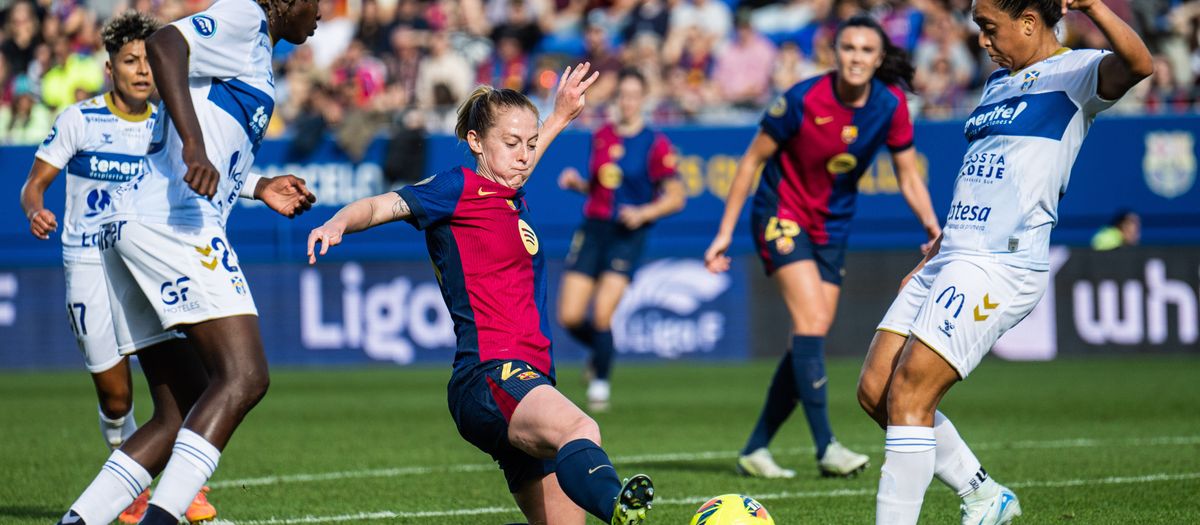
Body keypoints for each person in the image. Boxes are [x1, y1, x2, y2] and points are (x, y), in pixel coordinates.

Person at [307, 65, 656, 525]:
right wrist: (338, 223)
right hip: (491, 375)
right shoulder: (457, 189)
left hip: (529, 380)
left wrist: (560, 117)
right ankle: (619, 506)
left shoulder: (509, 195)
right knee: (581, 427)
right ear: (475, 141)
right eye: (511, 144)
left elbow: (523, 162)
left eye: (530, 145)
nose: (524, 155)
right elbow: (380, 204)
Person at [857, 0, 1151, 523]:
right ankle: (985, 496)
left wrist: (1090, 7)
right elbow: (983, 171)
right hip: (953, 252)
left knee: (908, 395)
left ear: (1030, 22)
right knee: (876, 390)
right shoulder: (997, 83)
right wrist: (939, 249)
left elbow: (1139, 64)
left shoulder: (1076, 73)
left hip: (999, 263)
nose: (984, 42)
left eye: (990, 29)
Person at [53, 0, 320, 523]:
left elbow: (200, 137)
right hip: (174, 222)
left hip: (136, 221)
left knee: (181, 407)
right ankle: (162, 517)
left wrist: (258, 185)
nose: (324, 14)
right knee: (245, 376)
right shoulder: (246, 16)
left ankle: (79, 520)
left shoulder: (257, 50)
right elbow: (164, 44)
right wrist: (195, 145)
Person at [703, 14, 941, 479]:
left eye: (866, 50)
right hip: (780, 213)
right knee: (810, 322)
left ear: (878, 58)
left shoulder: (890, 105)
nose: (856, 57)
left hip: (831, 227)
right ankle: (826, 446)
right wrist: (724, 232)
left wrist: (933, 228)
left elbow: (909, 174)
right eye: (848, 48)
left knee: (809, 337)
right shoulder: (803, 98)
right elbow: (751, 162)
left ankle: (756, 448)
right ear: (835, 53)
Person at [19, 12, 216, 524]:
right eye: (130, 61)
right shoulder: (79, 120)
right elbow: (33, 185)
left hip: (147, 265)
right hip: (88, 262)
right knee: (115, 394)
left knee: (177, 383)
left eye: (150, 60)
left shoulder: (167, 124)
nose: (143, 70)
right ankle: (128, 470)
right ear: (110, 68)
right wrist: (35, 207)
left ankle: (174, 484)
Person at [556, 68, 686, 411]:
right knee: (568, 316)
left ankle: (600, 382)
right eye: (622, 96)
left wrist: (644, 213)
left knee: (601, 315)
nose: (627, 102)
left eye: (633, 96)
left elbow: (676, 196)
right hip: (594, 227)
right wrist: (578, 185)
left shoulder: (655, 144)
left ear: (643, 99)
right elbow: (601, 187)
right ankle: (601, 351)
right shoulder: (602, 135)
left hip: (627, 234)